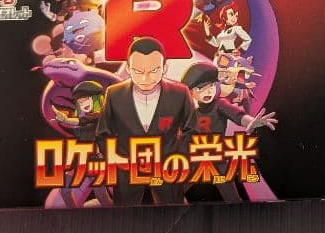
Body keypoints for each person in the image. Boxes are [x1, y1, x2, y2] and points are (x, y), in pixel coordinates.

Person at [95, 37, 197, 206]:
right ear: (128, 68)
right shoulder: (114, 93)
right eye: (138, 71)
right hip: (127, 171)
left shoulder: (180, 93)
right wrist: (116, 158)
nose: (145, 79)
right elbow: (103, 133)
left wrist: (178, 159)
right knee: (125, 217)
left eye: (154, 70)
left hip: (168, 170)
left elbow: (192, 131)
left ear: (165, 67)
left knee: (172, 214)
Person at [180, 61, 277, 202]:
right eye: (200, 88)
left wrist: (251, 121)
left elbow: (237, 115)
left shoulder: (219, 104)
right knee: (174, 192)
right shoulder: (191, 112)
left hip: (217, 158)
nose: (208, 91)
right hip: (197, 158)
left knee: (232, 198)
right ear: (190, 92)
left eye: (211, 86)